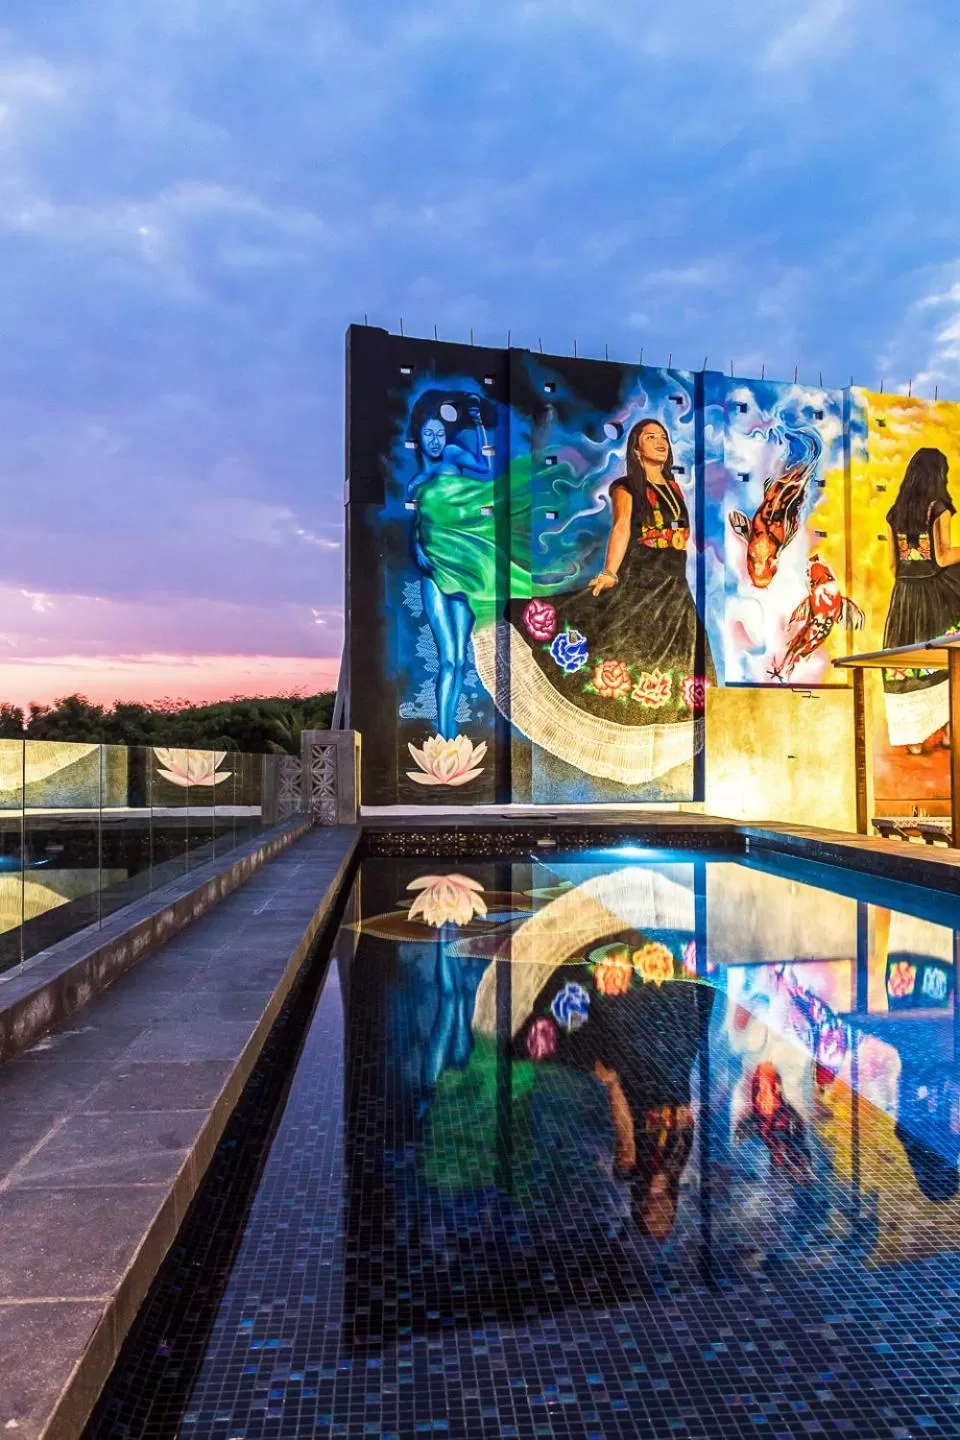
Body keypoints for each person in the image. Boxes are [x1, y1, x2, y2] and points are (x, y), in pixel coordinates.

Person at [513, 418, 715, 730]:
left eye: (663, 437)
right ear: (637, 448)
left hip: (675, 585)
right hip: (643, 579)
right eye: (651, 437)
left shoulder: (674, 488)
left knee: (685, 656)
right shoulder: (626, 487)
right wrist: (609, 572)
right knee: (615, 639)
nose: (661, 442)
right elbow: (622, 526)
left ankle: (657, 724)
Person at [512, 945, 714, 1241]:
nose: (661, 1214)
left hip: (642, 1076)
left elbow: (624, 1128)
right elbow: (686, 1112)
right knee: (689, 1003)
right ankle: (670, 962)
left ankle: (607, 977)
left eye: (653, 1220)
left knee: (620, 1015)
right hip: (675, 1066)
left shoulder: (630, 1168)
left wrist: (613, 1085)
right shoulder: (676, 1166)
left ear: (640, 1209)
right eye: (666, 1220)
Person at [407, 391, 494, 741]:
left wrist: (478, 425)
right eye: (428, 434)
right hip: (433, 574)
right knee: (447, 659)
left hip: (461, 570)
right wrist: (418, 552)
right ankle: (445, 735)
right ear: (418, 438)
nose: (435, 441)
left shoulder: (455, 457)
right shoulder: (415, 484)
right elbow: (417, 530)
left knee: (461, 659)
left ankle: (451, 733)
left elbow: (486, 468)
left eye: (440, 434)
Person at [883, 447, 960, 754]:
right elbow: (942, 557)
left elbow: (893, 566)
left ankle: (914, 739)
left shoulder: (895, 512)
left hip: (904, 598)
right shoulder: (938, 508)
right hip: (933, 596)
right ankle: (947, 733)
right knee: (946, 660)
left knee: (908, 662)